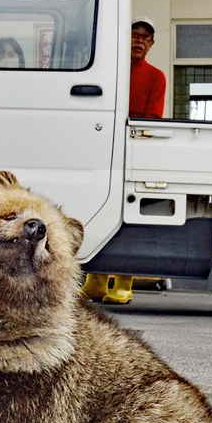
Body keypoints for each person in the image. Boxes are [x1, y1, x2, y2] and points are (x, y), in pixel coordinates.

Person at [83, 17, 167, 304]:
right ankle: (95, 281)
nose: (139, 41)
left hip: (131, 154)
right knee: (95, 212)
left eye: (146, 37)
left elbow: (152, 120)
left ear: (152, 44)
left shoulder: (156, 77)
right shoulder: (110, 72)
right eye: (135, 35)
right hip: (101, 153)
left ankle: (123, 282)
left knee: (126, 219)